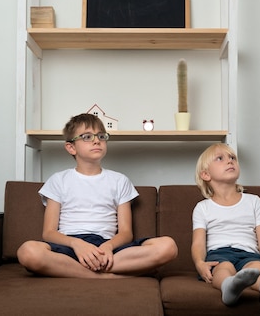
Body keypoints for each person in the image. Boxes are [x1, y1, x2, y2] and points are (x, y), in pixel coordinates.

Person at [17, 113, 178, 278]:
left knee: (168, 246)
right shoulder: (58, 180)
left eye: (101, 136)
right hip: (70, 246)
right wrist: (78, 245)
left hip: (108, 247)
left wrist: (107, 247)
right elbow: (49, 232)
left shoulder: (119, 180)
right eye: (87, 137)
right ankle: (102, 276)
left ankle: (85, 270)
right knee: (28, 252)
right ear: (71, 147)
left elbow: (125, 232)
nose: (97, 140)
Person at [191, 143, 260, 306]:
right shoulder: (203, 207)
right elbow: (198, 243)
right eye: (220, 158)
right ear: (206, 174)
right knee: (223, 269)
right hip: (219, 254)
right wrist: (200, 263)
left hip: (249, 254)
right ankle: (228, 287)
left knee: (258, 268)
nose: (230, 161)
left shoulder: (254, 201)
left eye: (232, 158)